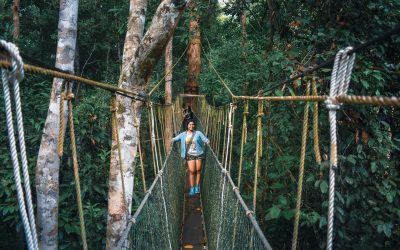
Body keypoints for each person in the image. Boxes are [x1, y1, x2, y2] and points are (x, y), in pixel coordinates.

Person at [172, 119, 209, 196]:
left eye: (192, 124)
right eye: (189, 124)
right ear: (187, 125)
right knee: (192, 171)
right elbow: (175, 139)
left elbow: (204, 139)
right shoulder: (183, 134)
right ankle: (192, 187)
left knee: (198, 170)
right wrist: (171, 140)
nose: (191, 126)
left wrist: (207, 141)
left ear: (194, 125)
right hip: (189, 155)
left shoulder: (198, 133)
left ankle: (197, 187)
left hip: (199, 154)